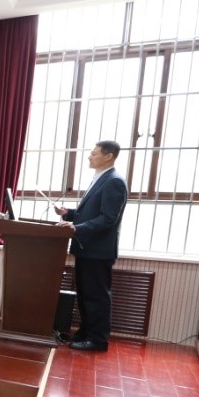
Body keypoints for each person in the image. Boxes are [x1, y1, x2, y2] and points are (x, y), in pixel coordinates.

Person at [55, 140, 129, 352]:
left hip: (98, 251)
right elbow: (91, 212)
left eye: (94, 153)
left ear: (109, 156)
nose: (89, 156)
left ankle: (97, 340)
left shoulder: (114, 181)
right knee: (85, 294)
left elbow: (108, 219)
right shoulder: (101, 178)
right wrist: (68, 214)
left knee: (96, 296)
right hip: (87, 249)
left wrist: (76, 228)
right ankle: (85, 332)